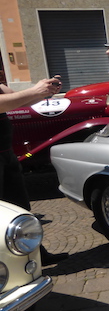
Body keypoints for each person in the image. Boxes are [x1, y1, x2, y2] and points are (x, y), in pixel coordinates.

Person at [0, 77, 68, 265]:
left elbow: (15, 99)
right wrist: (34, 91)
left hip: (6, 153)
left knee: (19, 207)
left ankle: (35, 253)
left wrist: (45, 92)